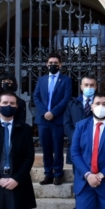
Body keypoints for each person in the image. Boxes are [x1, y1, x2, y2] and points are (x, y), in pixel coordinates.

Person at [33, 53, 72, 186]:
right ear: (46, 64)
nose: (53, 65)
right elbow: (36, 97)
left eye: (55, 63)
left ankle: (58, 174)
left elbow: (66, 99)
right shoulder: (41, 80)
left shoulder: (66, 80)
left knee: (58, 147)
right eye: (50, 63)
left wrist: (53, 112)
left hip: (57, 119)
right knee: (46, 148)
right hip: (43, 120)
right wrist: (45, 112)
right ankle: (48, 174)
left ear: (60, 65)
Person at [64, 75, 97, 209]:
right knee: (79, 183)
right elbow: (66, 124)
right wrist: (78, 139)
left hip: (95, 149)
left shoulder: (99, 103)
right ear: (81, 87)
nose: (89, 88)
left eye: (92, 85)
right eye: (86, 85)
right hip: (77, 150)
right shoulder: (72, 103)